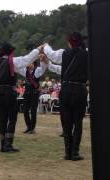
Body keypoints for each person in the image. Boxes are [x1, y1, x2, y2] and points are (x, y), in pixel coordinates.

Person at [0, 42, 42, 152]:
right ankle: (8, 144)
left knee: (3, 119)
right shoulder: (13, 61)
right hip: (9, 92)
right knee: (12, 119)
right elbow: (27, 59)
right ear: (10, 52)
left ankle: (2, 144)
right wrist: (38, 49)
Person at [43, 32, 88, 161]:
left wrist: (45, 46)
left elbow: (51, 55)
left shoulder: (63, 53)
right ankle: (74, 153)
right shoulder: (87, 54)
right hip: (79, 89)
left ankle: (68, 152)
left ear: (69, 42)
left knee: (66, 123)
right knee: (78, 123)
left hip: (66, 89)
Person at [18, 60, 47, 134]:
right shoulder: (26, 71)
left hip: (34, 93)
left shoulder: (37, 70)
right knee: (25, 110)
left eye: (30, 63)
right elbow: (18, 67)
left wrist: (42, 60)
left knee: (33, 111)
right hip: (27, 93)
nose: (28, 64)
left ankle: (32, 128)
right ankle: (28, 126)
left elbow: (43, 68)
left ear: (33, 64)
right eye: (28, 63)